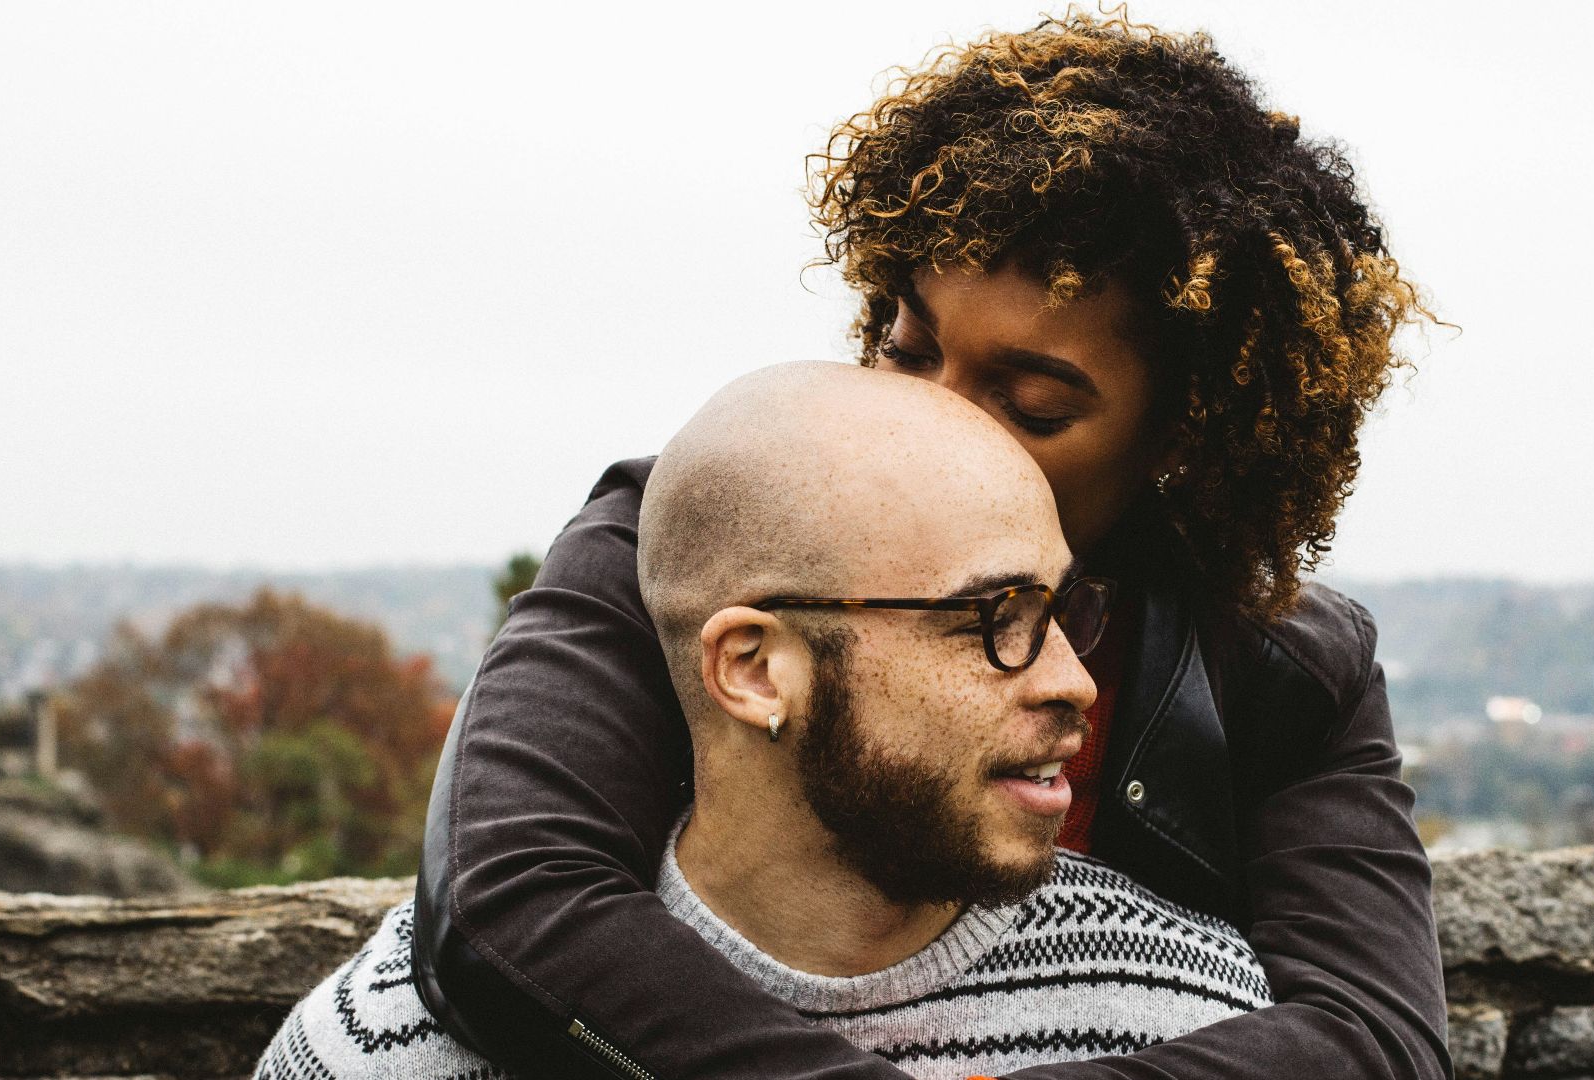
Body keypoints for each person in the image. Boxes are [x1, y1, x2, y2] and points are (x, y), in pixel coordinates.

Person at [415, 11, 1450, 1080]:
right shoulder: (688, 538)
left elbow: (1374, 1039)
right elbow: (506, 904)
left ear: (1181, 441)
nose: (939, 417)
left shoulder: (1286, 672)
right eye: (908, 351)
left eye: (1033, 403)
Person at [256, 364, 1273, 1080]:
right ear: (752, 669)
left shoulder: (1184, 1012)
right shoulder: (389, 1047)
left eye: (1063, 611)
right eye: (991, 618)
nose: (1073, 682)